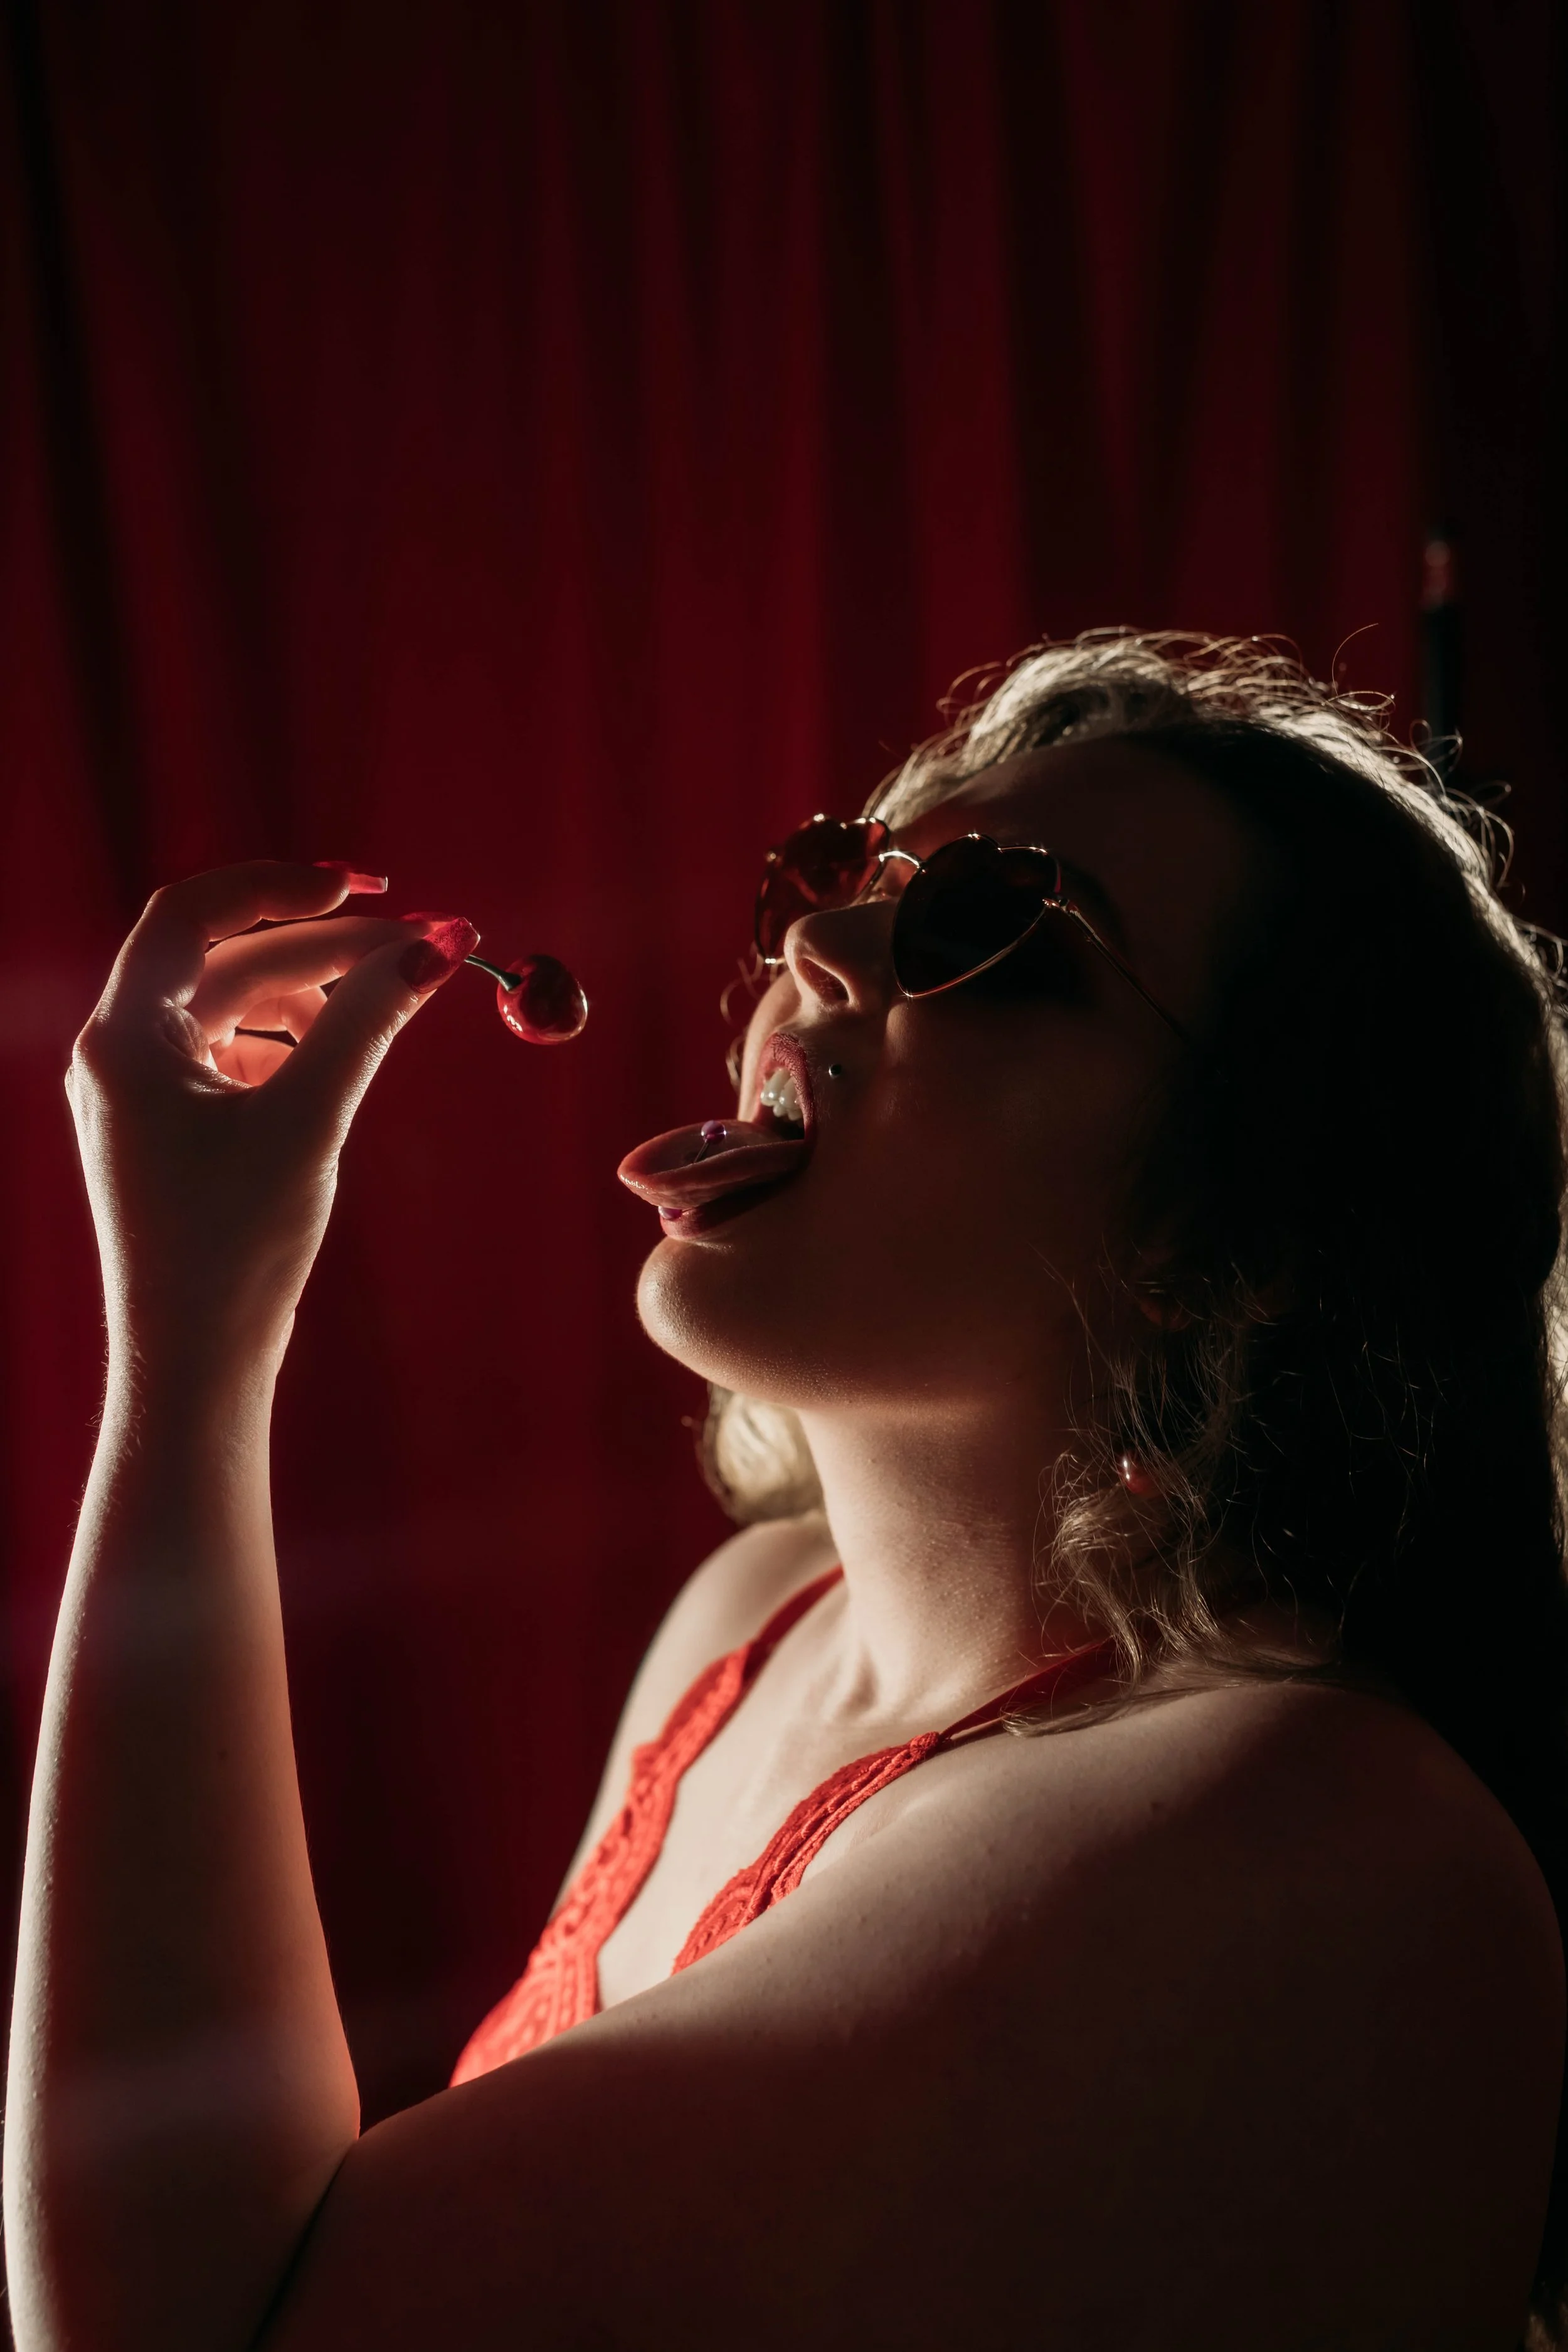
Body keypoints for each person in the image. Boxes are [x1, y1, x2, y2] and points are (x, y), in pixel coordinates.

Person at [6, 630, 1567, 2351]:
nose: (819, 946)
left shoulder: (1293, 1832)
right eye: (845, 878)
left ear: (1237, 1233)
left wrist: (192, 1346)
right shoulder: (748, 1624)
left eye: (991, 934)